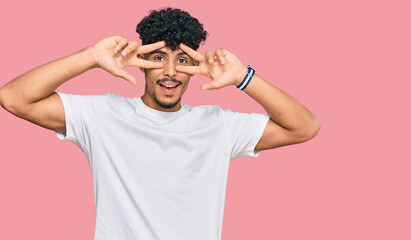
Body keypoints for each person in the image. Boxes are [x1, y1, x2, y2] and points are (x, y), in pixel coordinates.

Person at [0, 7, 320, 240]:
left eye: (181, 61)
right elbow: (14, 98)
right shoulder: (101, 114)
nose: (169, 72)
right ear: (141, 64)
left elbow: (304, 126)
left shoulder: (219, 125)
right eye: (158, 59)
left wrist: (242, 77)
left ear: (195, 66)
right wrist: (92, 56)